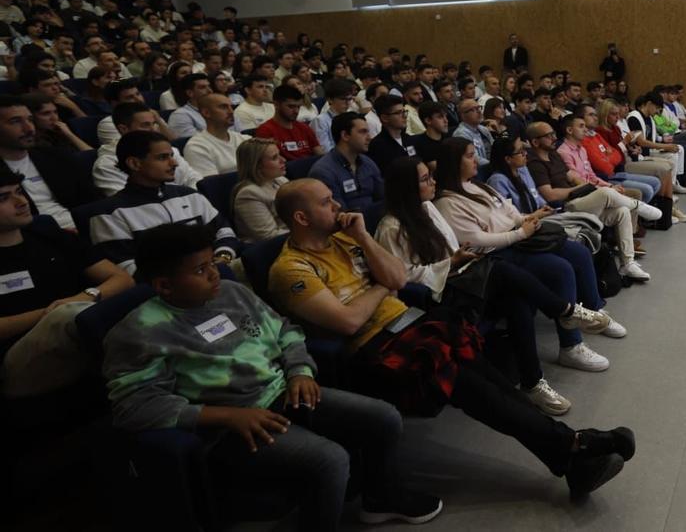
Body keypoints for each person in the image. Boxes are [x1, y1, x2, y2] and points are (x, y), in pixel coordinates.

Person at [269, 178, 634, 496]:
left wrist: (364, 238)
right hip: (374, 349)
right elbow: (349, 322)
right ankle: (574, 446)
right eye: (325, 202)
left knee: (493, 380)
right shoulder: (290, 268)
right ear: (301, 218)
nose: (337, 206)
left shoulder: (346, 241)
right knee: (476, 389)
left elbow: (396, 277)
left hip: (411, 323)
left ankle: (570, 450)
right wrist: (384, 285)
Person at [103, 223, 443, 530]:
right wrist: (225, 415)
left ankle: (379, 499)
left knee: (383, 417)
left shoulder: (233, 293)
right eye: (201, 269)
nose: (215, 274)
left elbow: (286, 332)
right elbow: (134, 407)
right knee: (330, 460)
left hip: (283, 391)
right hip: (228, 425)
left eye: (212, 263)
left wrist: (299, 371)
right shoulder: (138, 332)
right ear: (164, 285)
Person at [375, 158, 611, 414]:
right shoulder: (391, 228)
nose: (433, 182)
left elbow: (452, 247)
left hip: (461, 278)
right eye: (424, 179)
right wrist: (450, 263)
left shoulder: (428, 208)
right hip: (437, 294)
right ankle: (565, 311)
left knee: (516, 298)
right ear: (407, 186)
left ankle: (533, 382)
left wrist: (457, 258)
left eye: (430, 176)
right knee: (502, 271)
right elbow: (403, 278)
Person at [435, 136, 626, 356]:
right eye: (469, 156)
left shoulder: (477, 186)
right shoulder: (447, 202)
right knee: (560, 269)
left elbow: (510, 213)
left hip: (518, 237)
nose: (476, 160)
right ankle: (571, 346)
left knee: (579, 252)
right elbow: (476, 241)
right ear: (453, 162)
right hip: (496, 253)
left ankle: (594, 310)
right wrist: (519, 232)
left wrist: (526, 220)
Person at [0, 171, 134, 399]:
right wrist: (53, 312)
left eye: (20, 192)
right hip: (17, 359)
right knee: (71, 316)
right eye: (3, 198)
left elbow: (122, 279)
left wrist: (87, 296)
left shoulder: (48, 234)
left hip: (81, 326)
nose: (22, 202)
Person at [88, 130, 241, 276]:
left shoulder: (190, 195)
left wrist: (223, 257)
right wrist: (194, 274)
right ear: (134, 164)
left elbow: (224, 230)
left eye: (172, 156)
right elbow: (127, 268)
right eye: (162, 158)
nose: (174, 163)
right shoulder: (109, 214)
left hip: (217, 270)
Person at [527, 120, 657, 281]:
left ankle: (627, 264)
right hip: (564, 209)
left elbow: (572, 176)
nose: (554, 137)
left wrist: (586, 188)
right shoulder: (534, 163)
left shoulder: (553, 154)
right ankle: (638, 206)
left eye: (554, 134)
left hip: (580, 200)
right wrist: (579, 190)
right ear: (535, 141)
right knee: (605, 193)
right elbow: (550, 195)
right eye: (549, 136)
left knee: (622, 212)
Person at [0, 95, 99, 230]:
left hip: (83, 227)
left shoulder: (56, 156)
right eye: (15, 121)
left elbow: (91, 200)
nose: (29, 128)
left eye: (30, 120)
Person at [94, 102, 202, 195]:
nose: (153, 130)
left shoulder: (170, 151)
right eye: (145, 125)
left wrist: (191, 200)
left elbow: (193, 179)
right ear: (124, 129)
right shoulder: (106, 164)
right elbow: (127, 203)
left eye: (154, 124)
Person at [309, 112, 383, 211]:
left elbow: (382, 198)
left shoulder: (368, 162)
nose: (369, 137)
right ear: (345, 135)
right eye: (363, 132)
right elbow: (339, 214)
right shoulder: (323, 172)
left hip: (376, 220)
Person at [232, 138, 290, 242]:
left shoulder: (281, 180)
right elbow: (270, 236)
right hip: (270, 249)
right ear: (257, 165)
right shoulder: (248, 194)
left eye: (279, 154)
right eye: (274, 158)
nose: (283, 160)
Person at [183, 93, 249, 178]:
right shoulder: (196, 146)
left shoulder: (244, 139)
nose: (231, 111)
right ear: (206, 113)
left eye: (231, 107)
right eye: (223, 107)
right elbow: (213, 185)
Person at [96, 80, 175, 146]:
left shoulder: (151, 115)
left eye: (138, 94)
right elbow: (131, 149)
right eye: (130, 97)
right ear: (115, 103)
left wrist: (158, 120)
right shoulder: (108, 123)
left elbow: (174, 142)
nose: (138, 99)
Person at [255, 84, 322, 161]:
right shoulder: (265, 131)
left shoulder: (304, 128)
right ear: (276, 104)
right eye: (291, 106)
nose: (296, 111)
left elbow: (319, 153)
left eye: (298, 107)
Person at [24, 93, 91, 152]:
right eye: (46, 113)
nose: (54, 118)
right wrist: (70, 135)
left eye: (55, 112)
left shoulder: (57, 133)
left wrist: (69, 134)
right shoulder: (36, 144)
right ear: (31, 117)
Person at [367, 94, 415, 170]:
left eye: (404, 111)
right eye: (398, 113)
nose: (404, 116)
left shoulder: (409, 139)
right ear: (384, 118)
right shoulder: (377, 146)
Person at [311, 78, 357, 153]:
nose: (347, 103)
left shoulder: (353, 118)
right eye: (343, 99)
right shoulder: (320, 121)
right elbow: (325, 150)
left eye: (349, 99)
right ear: (330, 99)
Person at [165, 73, 214, 138]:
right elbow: (196, 141)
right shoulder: (180, 115)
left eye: (209, 86)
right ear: (190, 93)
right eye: (202, 87)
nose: (210, 91)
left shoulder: (216, 110)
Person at [451, 98, 494, 167]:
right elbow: (474, 158)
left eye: (479, 108)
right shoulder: (460, 134)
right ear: (463, 115)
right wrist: (495, 166)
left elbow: (495, 147)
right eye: (473, 110)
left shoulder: (483, 129)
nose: (479, 112)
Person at [409, 101, 449, 167]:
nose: (446, 121)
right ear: (428, 121)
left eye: (445, 116)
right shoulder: (417, 144)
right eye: (440, 117)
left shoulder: (449, 140)